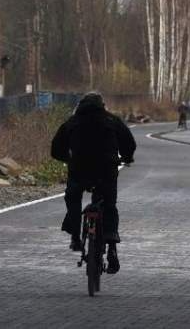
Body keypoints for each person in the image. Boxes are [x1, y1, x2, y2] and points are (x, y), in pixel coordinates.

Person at [51, 92, 136, 274]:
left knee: (73, 196)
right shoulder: (112, 120)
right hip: (106, 169)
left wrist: (67, 158)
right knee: (109, 205)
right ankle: (111, 246)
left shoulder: (72, 122)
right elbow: (129, 143)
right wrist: (127, 157)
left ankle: (75, 235)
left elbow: (55, 149)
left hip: (80, 170)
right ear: (102, 105)